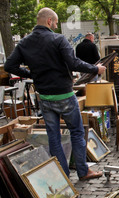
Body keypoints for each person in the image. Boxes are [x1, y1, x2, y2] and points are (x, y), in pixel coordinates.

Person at [5, 8, 106, 181]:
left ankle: (63, 176)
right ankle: (83, 171)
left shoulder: (24, 43)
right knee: (76, 131)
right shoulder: (58, 39)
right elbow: (73, 63)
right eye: (56, 22)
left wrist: (32, 75)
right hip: (64, 95)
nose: (56, 26)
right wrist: (95, 68)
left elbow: (9, 66)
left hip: (44, 97)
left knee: (54, 136)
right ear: (49, 21)